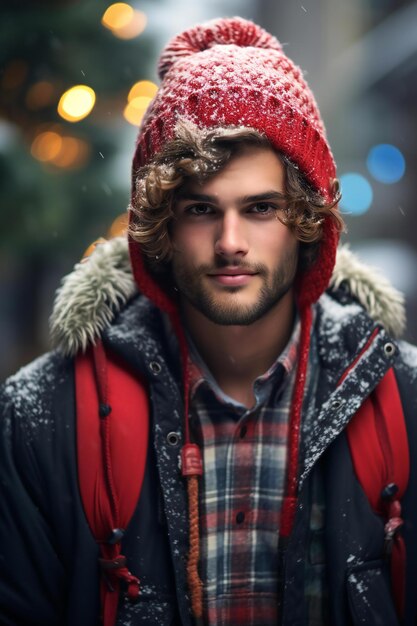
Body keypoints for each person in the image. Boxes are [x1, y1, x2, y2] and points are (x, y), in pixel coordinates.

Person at [0, 16, 416, 626]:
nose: (230, 242)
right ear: (161, 225)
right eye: (201, 209)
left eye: (260, 208)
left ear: (305, 221)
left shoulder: (403, 402)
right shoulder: (43, 416)